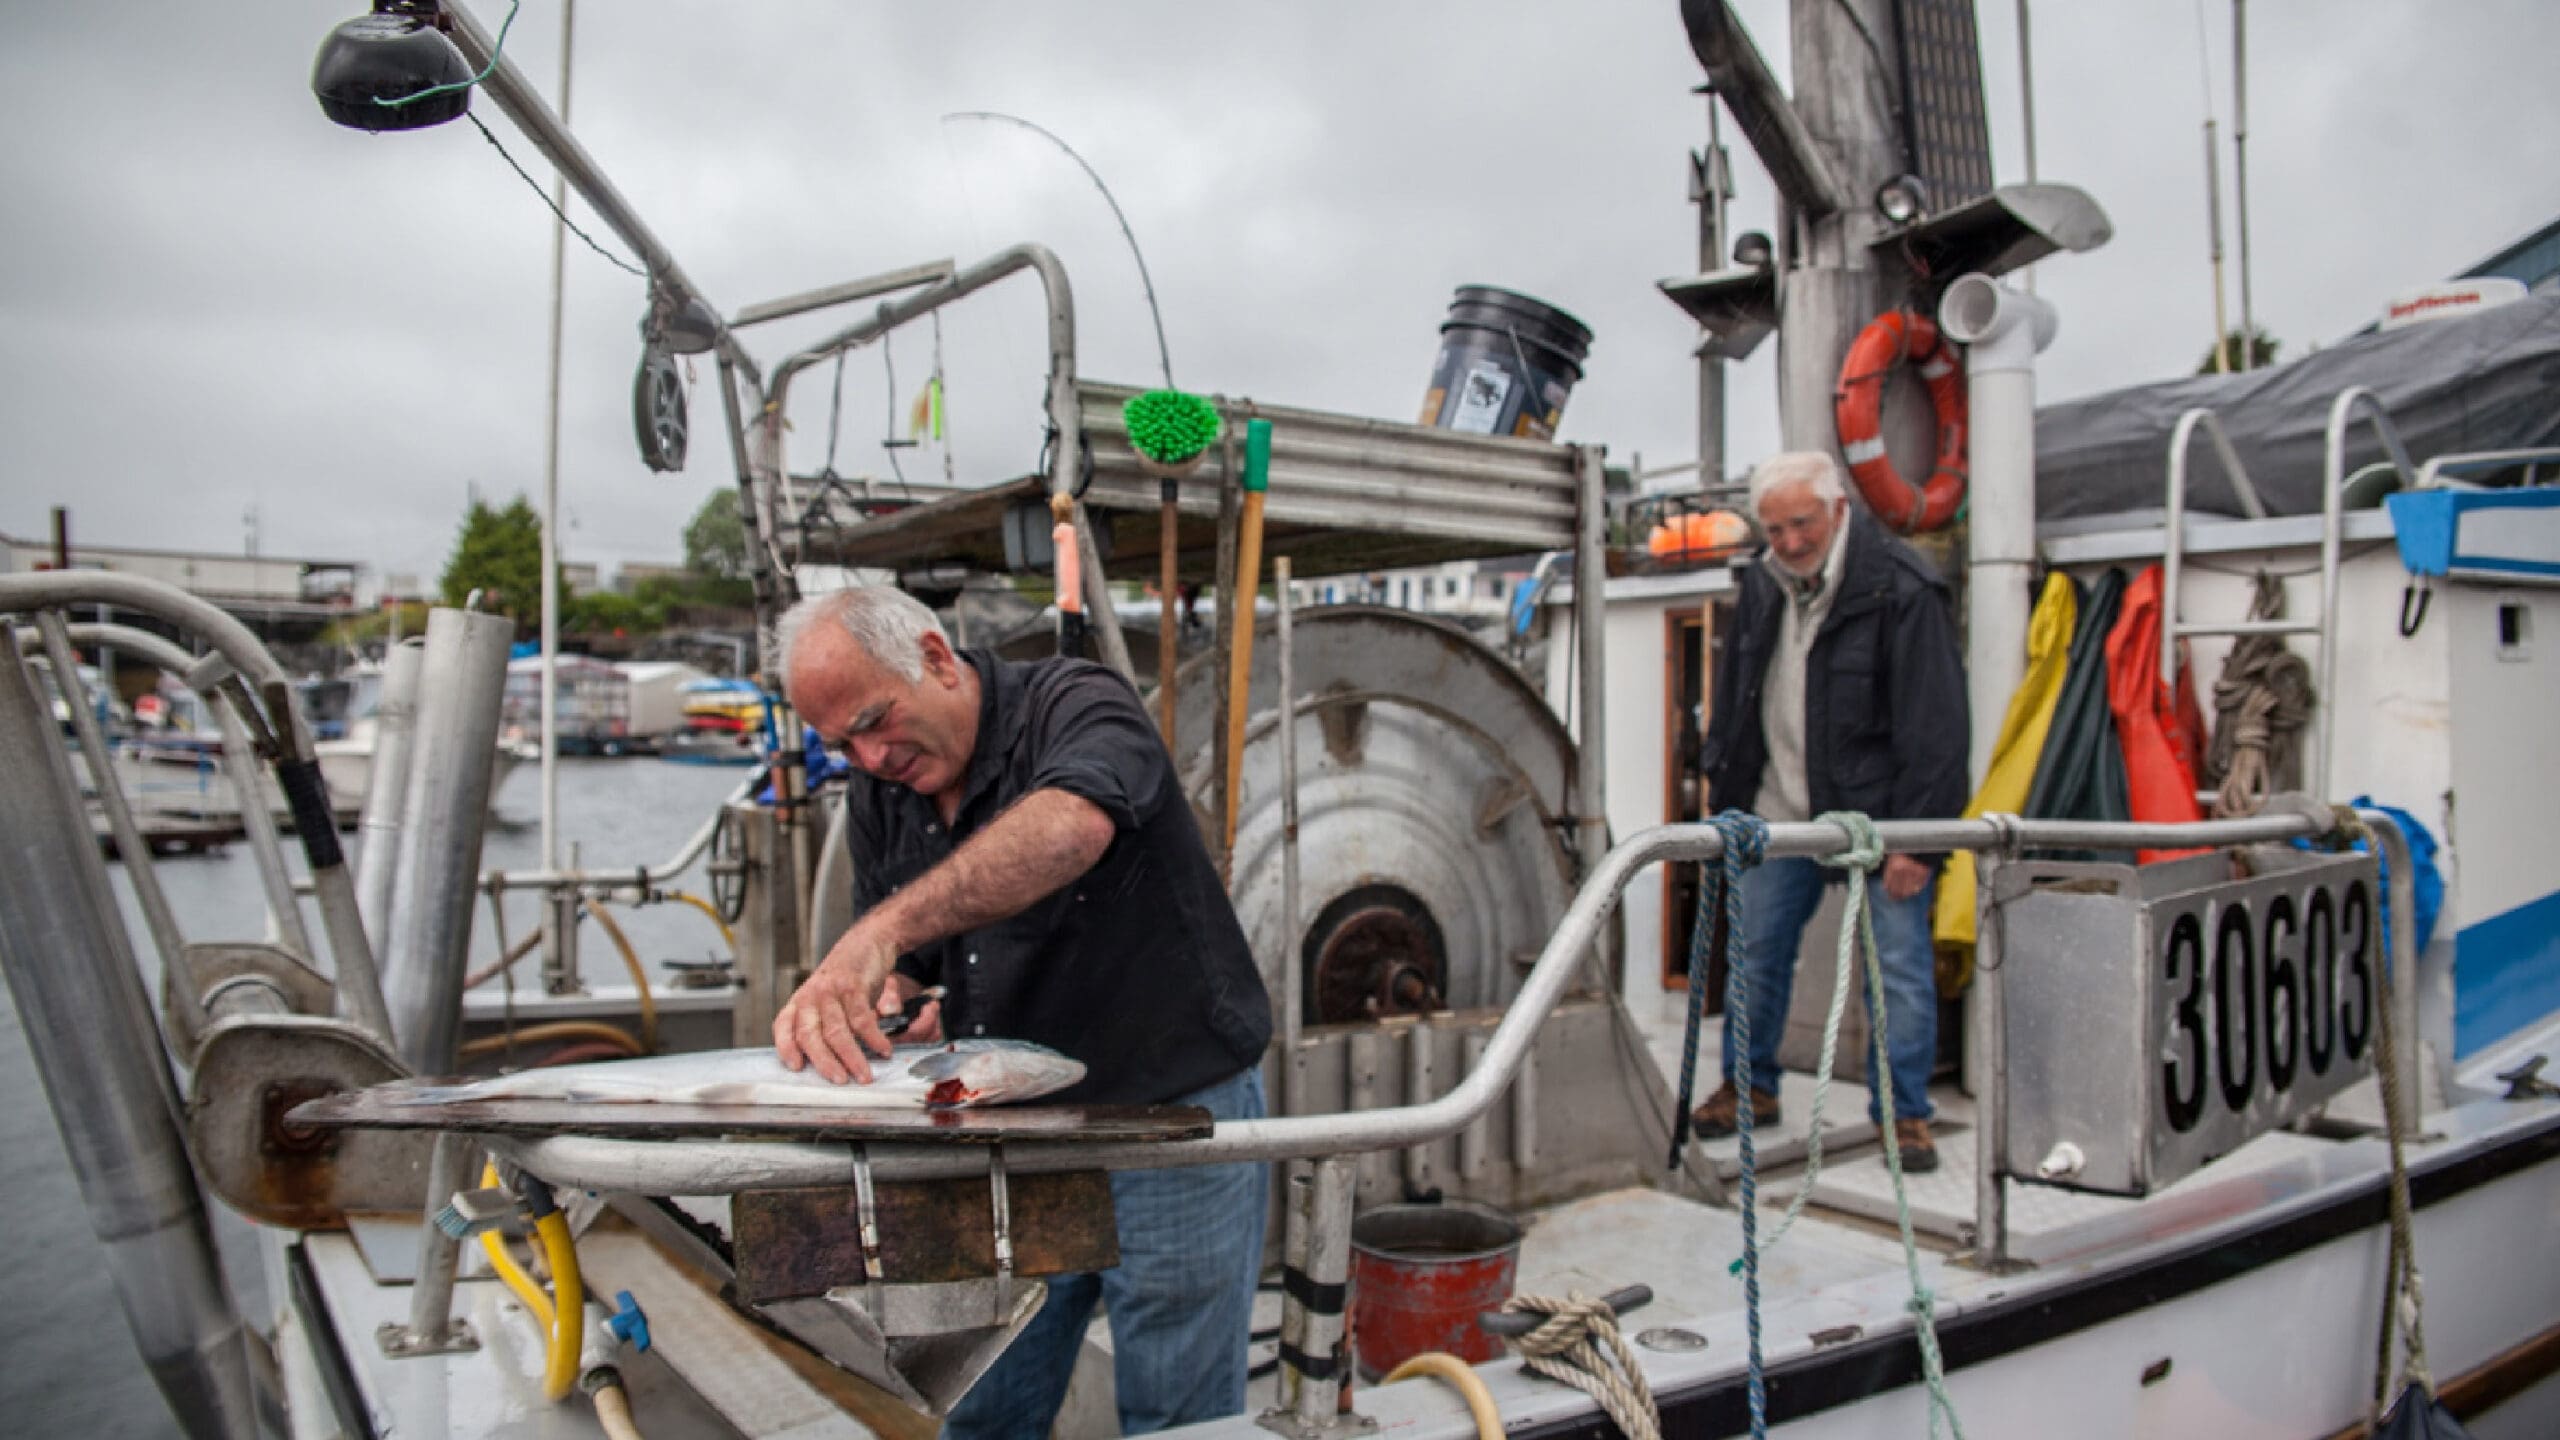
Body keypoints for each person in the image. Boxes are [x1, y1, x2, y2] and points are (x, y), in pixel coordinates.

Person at [771, 585, 1273, 1438]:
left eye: (875, 721)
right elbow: (915, 965)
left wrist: (877, 936)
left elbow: (1070, 828)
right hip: (1009, 1140)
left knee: (1179, 1415)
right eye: (840, 744)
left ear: (934, 657)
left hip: (1171, 1121)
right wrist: (898, 994)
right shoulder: (881, 789)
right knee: (986, 1409)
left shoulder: (1078, 701)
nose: (869, 756)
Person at [1692, 452, 1968, 1170]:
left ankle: (1904, 1113)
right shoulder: (1761, 584)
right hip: (1778, 810)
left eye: (1800, 524)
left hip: (1881, 824)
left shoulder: (1902, 587)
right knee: (1753, 954)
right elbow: (1739, 692)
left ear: (1839, 509)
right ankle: (1750, 1088)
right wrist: (1722, 790)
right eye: (1774, 528)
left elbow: (1937, 723)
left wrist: (1919, 843)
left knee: (1899, 970)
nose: (1787, 543)